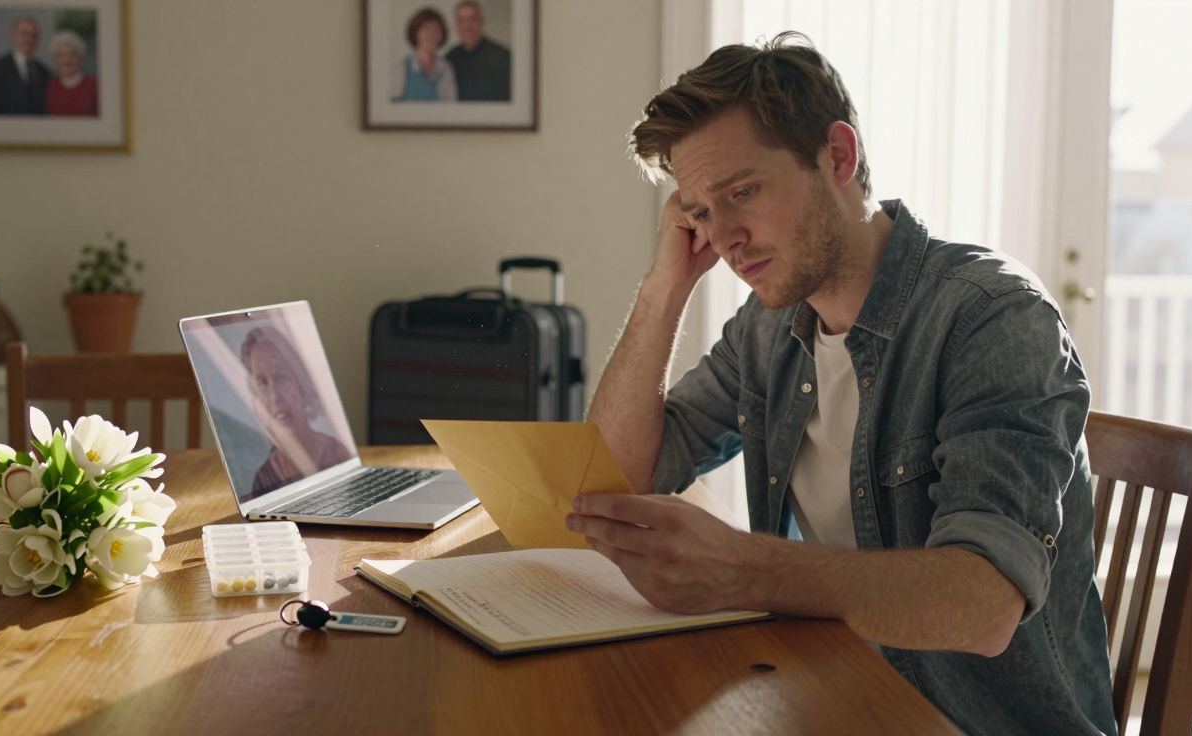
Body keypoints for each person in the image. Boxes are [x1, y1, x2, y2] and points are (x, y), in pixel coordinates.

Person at [566, 32, 1116, 735]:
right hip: (832, 690)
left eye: (742, 192)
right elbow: (618, 474)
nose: (726, 236)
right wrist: (665, 285)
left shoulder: (991, 318)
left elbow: (985, 604)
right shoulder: (770, 327)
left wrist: (747, 570)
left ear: (838, 157)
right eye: (701, 213)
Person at [240, 326, 351, 495]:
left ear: (300, 382)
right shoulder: (264, 479)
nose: (274, 396)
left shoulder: (337, 453)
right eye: (263, 383)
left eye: (281, 378)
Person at [445, 1, 510, 101]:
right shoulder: (449, 59)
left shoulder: (504, 57)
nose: (467, 26)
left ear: (482, 22)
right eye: (461, 21)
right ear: (456, 26)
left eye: (472, 19)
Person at [391, 7, 457, 102]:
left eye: (436, 29)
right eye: (426, 29)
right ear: (415, 33)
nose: (432, 34)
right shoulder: (401, 69)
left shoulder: (446, 68)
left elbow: (451, 104)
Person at [0, 16, 51, 115]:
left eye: (34, 35)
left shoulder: (44, 72)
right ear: (14, 35)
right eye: (24, 34)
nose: (29, 39)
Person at [45, 30, 98, 116]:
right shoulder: (50, 85)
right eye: (61, 55)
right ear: (55, 59)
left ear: (80, 58)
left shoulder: (94, 84)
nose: (67, 60)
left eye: (72, 55)